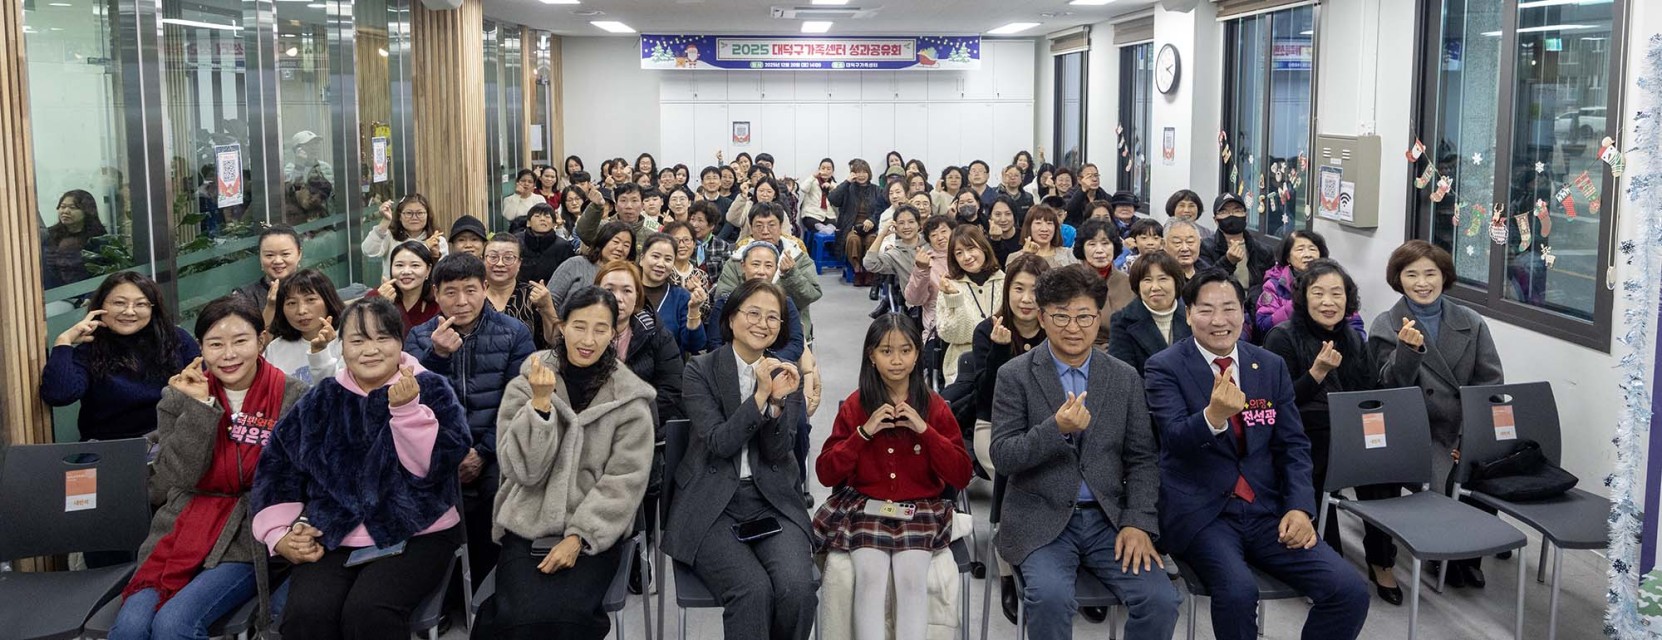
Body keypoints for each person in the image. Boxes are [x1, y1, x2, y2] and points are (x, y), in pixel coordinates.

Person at [1144, 269, 1371, 640]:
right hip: (1205, 513)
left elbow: (1293, 445)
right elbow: (1173, 440)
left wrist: (1300, 507)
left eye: (1229, 308)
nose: (1219, 320)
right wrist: (1213, 416)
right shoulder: (1165, 366)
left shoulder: (1267, 365)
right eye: (1206, 310)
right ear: (1188, 314)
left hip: (1267, 510)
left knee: (1348, 590)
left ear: (1243, 313)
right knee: (1237, 592)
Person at [251, 297, 470, 640]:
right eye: (357, 340)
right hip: (333, 531)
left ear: (400, 342)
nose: (371, 350)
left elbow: (435, 467)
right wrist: (280, 534)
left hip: (417, 530)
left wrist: (408, 412)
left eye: (383, 338)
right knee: (306, 615)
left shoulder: (429, 388)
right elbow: (278, 466)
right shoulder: (322, 397)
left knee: (369, 613)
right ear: (341, 346)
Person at [989, 265, 1184, 640]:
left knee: (1160, 600)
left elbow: (1142, 460)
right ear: (1042, 318)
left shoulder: (1124, 377)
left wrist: (1137, 523)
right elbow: (1003, 455)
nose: (1073, 328)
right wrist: (1055, 429)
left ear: (1099, 318)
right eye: (1061, 316)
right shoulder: (1015, 375)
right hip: (1040, 519)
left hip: (1108, 520)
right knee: (1049, 599)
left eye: (1084, 317)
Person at [110, 297, 309, 640]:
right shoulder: (179, 395)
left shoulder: (295, 397)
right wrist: (200, 407)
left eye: (240, 341)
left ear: (261, 340)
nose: (228, 354)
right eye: (215, 344)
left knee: (173, 625)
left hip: (249, 535)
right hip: (181, 528)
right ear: (200, 348)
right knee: (130, 628)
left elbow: (301, 480)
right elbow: (172, 480)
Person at [474, 286, 656, 639]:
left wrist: (579, 537)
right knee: (519, 618)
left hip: (594, 532)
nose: (588, 339)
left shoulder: (630, 401)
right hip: (528, 521)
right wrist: (540, 407)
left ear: (614, 333)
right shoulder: (526, 383)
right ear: (562, 326)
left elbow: (624, 481)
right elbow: (521, 471)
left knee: (568, 618)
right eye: (579, 326)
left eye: (600, 329)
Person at [664, 278, 817, 640]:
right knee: (752, 591)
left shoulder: (786, 373)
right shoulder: (700, 370)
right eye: (753, 313)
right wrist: (761, 396)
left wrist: (777, 402)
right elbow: (720, 443)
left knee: (797, 589)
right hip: (711, 502)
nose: (763, 324)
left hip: (771, 499)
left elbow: (779, 451)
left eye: (773, 317)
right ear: (731, 318)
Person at [812, 313, 973, 640]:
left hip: (921, 507)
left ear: (917, 354)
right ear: (871, 355)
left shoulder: (934, 406)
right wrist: (863, 433)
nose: (897, 360)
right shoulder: (856, 405)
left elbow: (961, 473)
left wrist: (925, 431)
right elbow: (826, 471)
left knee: (912, 581)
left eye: (905, 350)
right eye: (886, 351)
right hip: (866, 506)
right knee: (869, 579)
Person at [1263, 259, 1403, 606]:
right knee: (1317, 461)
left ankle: (1380, 559)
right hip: (1303, 436)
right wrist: (1316, 374)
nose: (1328, 302)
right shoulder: (1282, 337)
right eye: (1319, 293)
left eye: (1337, 294)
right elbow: (1276, 405)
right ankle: (1324, 560)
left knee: (1382, 462)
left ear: (1348, 299)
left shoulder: (1352, 339)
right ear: (1303, 297)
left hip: (1349, 432)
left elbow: (1369, 394)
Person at [1368, 240, 1504, 588]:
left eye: (1430, 273)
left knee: (1481, 468)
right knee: (1443, 475)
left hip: (1460, 428)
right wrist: (1407, 351)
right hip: (1415, 432)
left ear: (1445, 276)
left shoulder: (1471, 322)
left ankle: (1469, 554)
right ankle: (1442, 552)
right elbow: (1387, 392)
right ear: (1398, 279)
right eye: (1411, 274)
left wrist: (1469, 437)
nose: (1422, 283)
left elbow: (1489, 386)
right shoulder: (1386, 324)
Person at [405, 253, 536, 581]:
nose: (461, 301)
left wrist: (483, 452)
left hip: (497, 447)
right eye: (450, 292)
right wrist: (437, 356)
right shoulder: (419, 338)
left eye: (470, 290)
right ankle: (444, 589)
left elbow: (520, 402)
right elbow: (412, 405)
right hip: (439, 451)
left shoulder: (514, 333)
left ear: (485, 288)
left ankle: (495, 583)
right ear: (436, 293)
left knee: (499, 496)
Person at [967, 253, 1048, 623]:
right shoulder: (988, 330)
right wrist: (999, 351)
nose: (1027, 298)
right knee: (1011, 470)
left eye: (1035, 290)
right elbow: (985, 398)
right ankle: (1007, 570)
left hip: (1046, 426)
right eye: (1019, 289)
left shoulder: (1056, 327)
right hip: (994, 427)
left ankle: (1058, 560)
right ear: (1007, 291)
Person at [43, 271, 202, 441]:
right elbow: (60, 395)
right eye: (119, 303)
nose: (129, 311)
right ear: (100, 305)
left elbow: (205, 388)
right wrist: (64, 341)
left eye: (141, 304)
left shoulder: (175, 339)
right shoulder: (89, 350)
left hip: (170, 441)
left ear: (153, 309)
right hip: (111, 448)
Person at [595, 259, 687, 425]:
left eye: (627, 291)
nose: (618, 298)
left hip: (644, 425)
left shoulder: (656, 334)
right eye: (609, 290)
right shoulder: (581, 334)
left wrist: (632, 418)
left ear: (637, 296)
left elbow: (671, 390)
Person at [715, 203, 822, 344]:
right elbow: (723, 296)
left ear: (781, 226)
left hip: (789, 333)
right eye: (759, 226)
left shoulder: (798, 257)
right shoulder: (737, 259)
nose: (765, 231)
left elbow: (810, 295)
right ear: (751, 228)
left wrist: (791, 275)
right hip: (746, 333)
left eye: (771, 225)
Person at [705, 242, 806, 363]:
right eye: (755, 264)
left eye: (768, 266)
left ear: (776, 269)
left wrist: (767, 363)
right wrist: (740, 364)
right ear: (743, 266)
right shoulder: (726, 301)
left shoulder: (785, 302)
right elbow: (714, 343)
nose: (761, 271)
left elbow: (795, 343)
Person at [1254, 230, 1363, 340]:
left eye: (1312, 249)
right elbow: (1263, 325)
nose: (1308, 255)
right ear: (1288, 257)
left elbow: (1355, 325)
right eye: (1300, 249)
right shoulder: (1275, 284)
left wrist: (1350, 344)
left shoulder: (1335, 280)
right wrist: (1296, 304)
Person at [935, 225, 1005, 383]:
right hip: (963, 366)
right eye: (959, 253)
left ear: (984, 247)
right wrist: (955, 298)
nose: (966, 257)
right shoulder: (950, 287)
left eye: (970, 248)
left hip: (1004, 358)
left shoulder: (1005, 281)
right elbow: (950, 334)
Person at [1107, 251, 1190, 377]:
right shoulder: (1122, 321)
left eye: (1163, 279)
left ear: (1176, 282)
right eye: (1147, 280)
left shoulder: (1192, 316)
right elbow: (1123, 375)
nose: (1155, 287)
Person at [261, 269, 344, 385]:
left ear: (328, 300)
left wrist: (320, 352)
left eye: (310, 300)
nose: (301, 311)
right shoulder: (275, 349)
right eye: (291, 303)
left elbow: (336, 390)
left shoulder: (347, 339)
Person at [1199, 193, 1275, 315]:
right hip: (1219, 309)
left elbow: (1270, 284)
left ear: (1246, 216)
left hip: (1256, 310)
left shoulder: (1263, 250)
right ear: (1216, 220)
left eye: (1237, 211)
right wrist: (1228, 262)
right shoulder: (1205, 247)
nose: (1231, 215)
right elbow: (1204, 282)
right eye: (1224, 212)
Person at [483, 234, 560, 350]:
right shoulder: (473, 295)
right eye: (493, 257)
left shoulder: (534, 296)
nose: (500, 263)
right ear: (482, 260)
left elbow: (556, 342)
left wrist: (547, 307)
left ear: (519, 263)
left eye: (508, 258)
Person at [636, 232, 709, 354]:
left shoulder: (681, 297)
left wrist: (694, 309)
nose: (661, 264)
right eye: (655, 256)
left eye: (668, 259)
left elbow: (695, 345)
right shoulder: (627, 290)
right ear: (642, 259)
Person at [1071, 219, 1136, 344]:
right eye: (1092, 244)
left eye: (1105, 243)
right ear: (1082, 249)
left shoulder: (1128, 282)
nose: (1100, 250)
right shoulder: (1070, 280)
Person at [548, 221, 635, 312]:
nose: (620, 248)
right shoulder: (575, 264)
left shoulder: (628, 277)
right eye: (616, 242)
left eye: (626, 245)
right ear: (603, 241)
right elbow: (551, 300)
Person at [366, 240, 441, 338]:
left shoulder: (438, 300)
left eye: (415, 265)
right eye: (399, 265)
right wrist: (381, 305)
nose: (406, 271)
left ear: (428, 270)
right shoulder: (375, 296)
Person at [904, 216, 955, 354]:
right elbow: (914, 299)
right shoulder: (927, 262)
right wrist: (921, 270)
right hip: (938, 328)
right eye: (934, 235)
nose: (940, 237)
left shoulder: (966, 257)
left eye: (944, 231)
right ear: (928, 240)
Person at [365, 194, 445, 281]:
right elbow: (368, 250)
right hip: (392, 288)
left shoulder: (437, 240)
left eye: (420, 213)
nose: (414, 217)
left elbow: (442, 274)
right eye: (409, 213)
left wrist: (434, 254)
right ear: (400, 216)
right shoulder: (390, 236)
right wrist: (385, 220)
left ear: (428, 215)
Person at [236, 225, 305, 327]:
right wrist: (270, 307)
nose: (277, 261)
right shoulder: (244, 297)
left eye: (285, 254)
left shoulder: (316, 288)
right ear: (260, 257)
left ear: (299, 254)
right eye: (269, 255)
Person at [861, 204, 923, 314]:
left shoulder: (930, 244)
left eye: (911, 222)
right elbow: (869, 264)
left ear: (919, 225)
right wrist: (882, 235)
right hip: (916, 304)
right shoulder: (894, 254)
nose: (906, 227)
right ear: (895, 227)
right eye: (901, 223)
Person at [831, 159, 882, 288]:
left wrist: (872, 220)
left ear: (869, 173)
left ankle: (869, 270)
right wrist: (847, 182)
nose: (861, 175)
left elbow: (881, 209)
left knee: (872, 240)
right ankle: (857, 269)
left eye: (864, 172)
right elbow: (833, 199)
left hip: (871, 228)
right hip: (851, 227)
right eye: (858, 172)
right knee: (853, 240)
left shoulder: (877, 190)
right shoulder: (847, 188)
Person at [42, 189, 109, 288]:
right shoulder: (49, 235)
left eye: (72, 208)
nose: (65, 211)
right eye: (62, 207)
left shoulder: (98, 239)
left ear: (87, 211)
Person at [664, 221, 715, 325]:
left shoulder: (701, 275)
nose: (682, 245)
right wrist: (686, 294)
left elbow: (705, 315)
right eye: (676, 240)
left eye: (686, 240)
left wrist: (698, 301)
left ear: (694, 243)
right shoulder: (663, 271)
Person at [518, 203, 577, 285]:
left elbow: (570, 275)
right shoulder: (516, 242)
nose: (542, 219)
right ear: (528, 223)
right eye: (537, 216)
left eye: (547, 217)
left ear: (554, 224)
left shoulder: (563, 246)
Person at [1010, 205, 1077, 269]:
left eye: (1049, 223)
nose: (1044, 229)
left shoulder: (1068, 255)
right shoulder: (1015, 258)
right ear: (1029, 226)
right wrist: (1026, 256)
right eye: (1038, 223)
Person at [688, 202, 734, 284]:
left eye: (700, 220)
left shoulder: (722, 246)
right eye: (692, 219)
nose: (694, 225)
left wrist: (710, 290)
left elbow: (725, 277)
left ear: (712, 225)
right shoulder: (684, 243)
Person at [799, 158, 839, 233]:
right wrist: (813, 176)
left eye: (828, 169)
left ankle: (827, 230)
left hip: (828, 215)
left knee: (833, 225)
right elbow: (803, 188)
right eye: (823, 168)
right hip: (811, 214)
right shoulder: (812, 181)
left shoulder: (834, 185)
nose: (825, 171)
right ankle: (825, 230)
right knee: (814, 224)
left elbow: (840, 198)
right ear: (819, 169)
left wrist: (831, 187)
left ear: (832, 171)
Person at [986, 196, 1023, 267]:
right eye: (998, 214)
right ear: (990, 217)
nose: (1003, 219)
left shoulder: (1025, 236)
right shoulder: (985, 241)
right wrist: (995, 240)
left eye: (1008, 214)